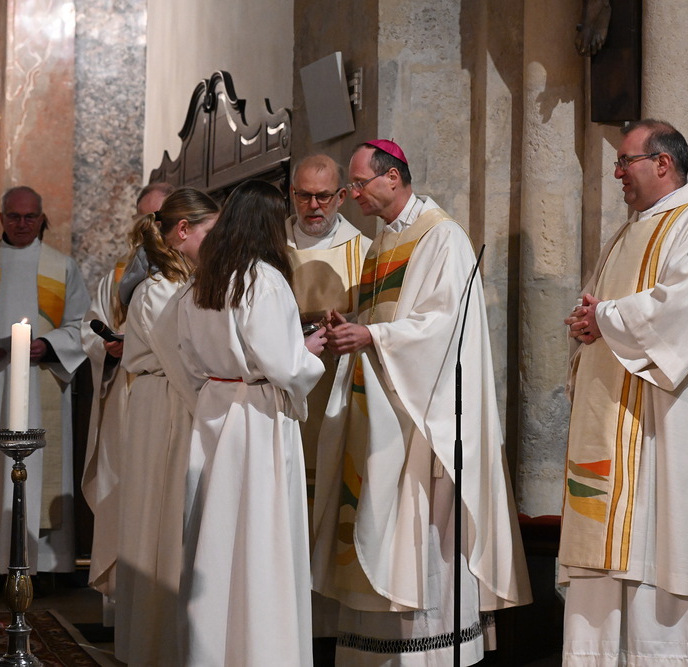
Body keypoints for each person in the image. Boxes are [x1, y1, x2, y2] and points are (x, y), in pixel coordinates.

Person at [311, 140, 530, 665]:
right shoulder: (380, 244)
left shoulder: (442, 237)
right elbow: (384, 318)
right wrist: (351, 329)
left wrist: (373, 336)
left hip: (424, 418)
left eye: (359, 183)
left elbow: (442, 328)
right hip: (382, 412)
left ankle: (427, 653)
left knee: (421, 535)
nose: (353, 194)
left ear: (392, 177)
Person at [559, 119, 688, 666]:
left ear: (663, 163)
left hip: (668, 431)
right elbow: (597, 308)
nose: (617, 173)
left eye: (626, 161)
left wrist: (604, 318)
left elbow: (685, 312)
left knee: (663, 558)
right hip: (615, 429)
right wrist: (586, 322)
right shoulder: (627, 233)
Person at [176, 179, 325, 666]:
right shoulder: (262, 279)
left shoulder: (201, 280)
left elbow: (187, 358)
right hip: (257, 416)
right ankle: (262, 651)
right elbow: (283, 365)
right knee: (261, 538)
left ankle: (212, 651)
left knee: (217, 538)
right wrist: (308, 352)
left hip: (215, 409)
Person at [0, 185, 90, 576]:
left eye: (30, 217)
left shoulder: (61, 267)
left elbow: (81, 324)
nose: (22, 223)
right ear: (1, 219)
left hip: (40, 383)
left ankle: (42, 565)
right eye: (13, 216)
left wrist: (49, 345)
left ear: (42, 218)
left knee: (41, 467)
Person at [114, 186, 218, 666]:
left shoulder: (188, 284)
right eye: (211, 232)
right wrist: (219, 418)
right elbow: (180, 365)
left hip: (177, 402)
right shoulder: (158, 290)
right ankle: (155, 646)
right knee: (161, 518)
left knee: (180, 520)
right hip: (165, 408)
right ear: (182, 230)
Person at [286, 154, 372, 640]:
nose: (313, 205)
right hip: (282, 398)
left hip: (337, 392)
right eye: (304, 195)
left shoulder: (364, 251)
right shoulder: (270, 245)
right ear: (292, 194)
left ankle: (325, 631)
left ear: (342, 196)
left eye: (323, 196)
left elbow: (374, 323)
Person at [80, 181, 173, 625]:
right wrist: (109, 348)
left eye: (159, 217)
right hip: (126, 395)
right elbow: (90, 327)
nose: (149, 226)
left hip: (171, 397)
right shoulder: (118, 275)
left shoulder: (193, 269)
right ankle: (120, 610)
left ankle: (163, 606)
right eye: (144, 217)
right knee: (121, 490)